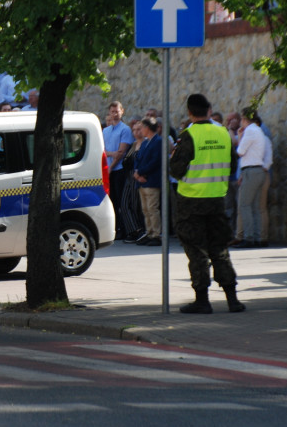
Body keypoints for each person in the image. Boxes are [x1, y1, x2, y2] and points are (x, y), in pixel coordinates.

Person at [170, 93, 245, 314]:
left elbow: (176, 169)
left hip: (191, 202)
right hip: (216, 201)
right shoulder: (223, 133)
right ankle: (232, 299)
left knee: (197, 250)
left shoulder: (188, 136)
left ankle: (202, 300)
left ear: (190, 112)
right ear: (209, 110)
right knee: (219, 248)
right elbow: (232, 166)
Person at [233, 108, 268, 248]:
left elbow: (240, 151)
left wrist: (239, 136)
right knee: (255, 206)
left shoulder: (250, 131)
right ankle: (259, 237)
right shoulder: (258, 130)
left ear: (244, 118)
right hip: (258, 170)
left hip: (251, 170)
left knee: (244, 205)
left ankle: (248, 237)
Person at [103, 101, 133, 237]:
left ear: (122, 111)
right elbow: (103, 151)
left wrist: (110, 167)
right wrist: (111, 153)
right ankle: (115, 228)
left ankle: (123, 228)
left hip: (119, 169)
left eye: (117, 111)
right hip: (108, 169)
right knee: (112, 200)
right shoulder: (105, 130)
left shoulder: (125, 129)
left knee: (121, 200)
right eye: (113, 111)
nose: (115, 114)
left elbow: (121, 152)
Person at [133, 117, 163, 246]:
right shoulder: (145, 143)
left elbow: (155, 161)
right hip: (142, 181)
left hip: (151, 180)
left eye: (142, 127)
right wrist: (136, 172)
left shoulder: (158, 141)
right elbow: (138, 158)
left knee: (152, 208)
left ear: (148, 128)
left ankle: (156, 234)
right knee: (145, 209)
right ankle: (149, 232)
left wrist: (141, 172)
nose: (141, 130)